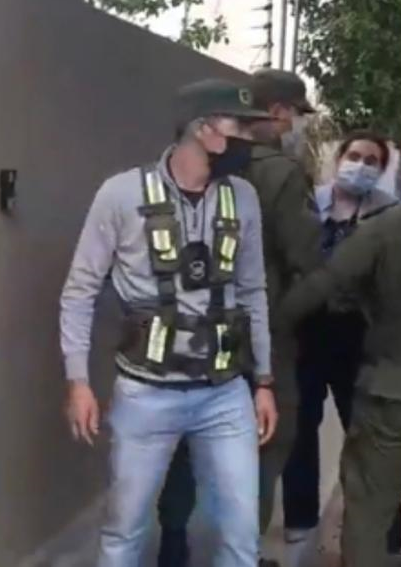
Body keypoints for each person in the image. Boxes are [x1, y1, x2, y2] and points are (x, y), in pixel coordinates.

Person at [61, 78, 278, 567]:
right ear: (203, 129)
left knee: (241, 533)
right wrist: (78, 381)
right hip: (146, 392)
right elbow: (80, 290)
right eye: (240, 127)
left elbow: (252, 291)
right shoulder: (121, 194)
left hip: (224, 393)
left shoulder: (243, 197)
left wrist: (263, 381)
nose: (249, 138)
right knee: (124, 530)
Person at [156, 69, 324, 567]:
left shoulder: (177, 163)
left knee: (183, 444)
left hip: (189, 328)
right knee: (263, 444)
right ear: (277, 112)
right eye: (294, 115)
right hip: (257, 336)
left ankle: (173, 540)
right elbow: (307, 258)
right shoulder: (280, 173)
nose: (295, 126)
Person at [281, 131, 398, 544]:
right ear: (339, 158)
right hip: (308, 329)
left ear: (381, 170)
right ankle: (299, 518)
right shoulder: (309, 205)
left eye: (372, 161)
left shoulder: (386, 214)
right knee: (301, 424)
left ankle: (381, 522)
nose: (360, 166)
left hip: (358, 334)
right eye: (355, 156)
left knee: (366, 431)